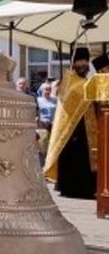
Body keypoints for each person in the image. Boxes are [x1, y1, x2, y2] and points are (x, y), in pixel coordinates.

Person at [44, 47, 97, 199]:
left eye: (85, 61)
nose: (83, 64)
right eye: (80, 61)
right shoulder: (69, 80)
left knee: (84, 159)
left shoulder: (86, 81)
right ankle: (69, 188)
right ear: (74, 63)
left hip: (86, 127)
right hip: (71, 129)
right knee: (73, 158)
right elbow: (74, 96)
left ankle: (87, 189)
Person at [36, 82, 57, 168]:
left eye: (49, 89)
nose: (48, 91)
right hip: (42, 125)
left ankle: (50, 166)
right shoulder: (38, 100)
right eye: (46, 89)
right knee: (42, 147)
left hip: (52, 125)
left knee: (51, 146)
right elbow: (36, 112)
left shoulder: (55, 100)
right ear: (42, 90)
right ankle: (42, 166)